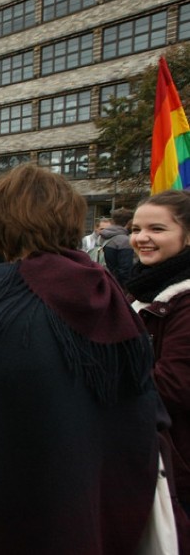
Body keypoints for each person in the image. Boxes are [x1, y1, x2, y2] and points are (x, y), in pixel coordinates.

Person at [0, 165, 162, 555]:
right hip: (100, 489)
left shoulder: (8, 308)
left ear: (2, 225)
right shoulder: (104, 286)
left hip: (36, 502)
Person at [128, 190, 190, 521]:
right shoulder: (143, 288)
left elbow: (173, 385)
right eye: (136, 229)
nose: (141, 238)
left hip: (178, 461)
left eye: (157, 229)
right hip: (151, 452)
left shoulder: (185, 300)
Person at [102, 207, 135, 289]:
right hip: (119, 286)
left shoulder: (102, 236)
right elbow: (125, 270)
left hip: (105, 281)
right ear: (130, 222)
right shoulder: (124, 240)